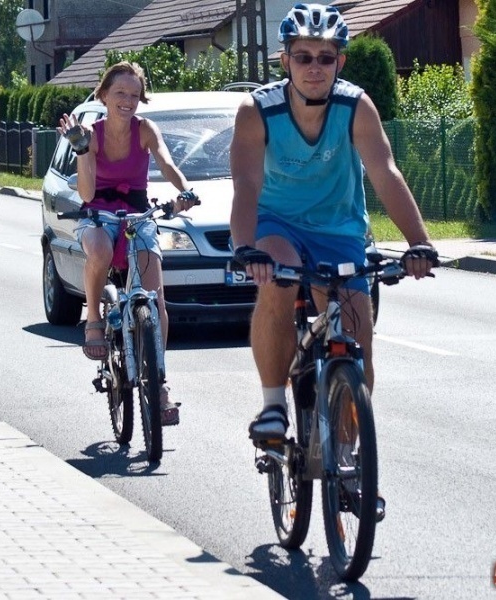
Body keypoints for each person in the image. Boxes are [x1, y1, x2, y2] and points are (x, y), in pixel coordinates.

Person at [229, 3, 438, 520]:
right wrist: (246, 248)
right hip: (279, 225)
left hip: (342, 230)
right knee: (276, 282)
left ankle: (346, 456)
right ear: (285, 61)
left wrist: (420, 243)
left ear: (340, 62)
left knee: (356, 347)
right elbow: (247, 185)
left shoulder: (356, 107)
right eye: (304, 56)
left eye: (326, 56)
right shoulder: (257, 111)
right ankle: (275, 404)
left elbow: (385, 173)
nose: (315, 66)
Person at [56, 61, 198, 426]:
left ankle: (160, 382)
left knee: (155, 296)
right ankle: (93, 319)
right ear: (103, 95)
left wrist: (185, 191)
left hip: (137, 216)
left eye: (135, 95)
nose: (128, 101)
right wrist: (83, 151)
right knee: (100, 251)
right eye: (120, 93)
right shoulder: (90, 133)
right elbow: (86, 193)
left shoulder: (146, 129)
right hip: (98, 216)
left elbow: (167, 164)